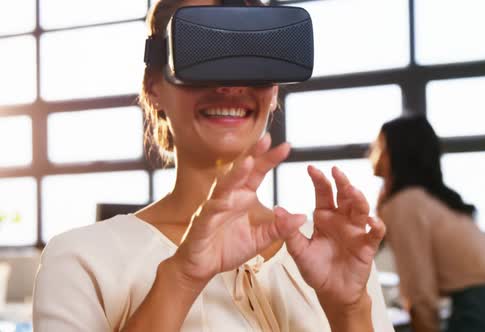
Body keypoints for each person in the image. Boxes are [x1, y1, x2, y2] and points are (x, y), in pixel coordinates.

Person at [32, 0, 393, 331]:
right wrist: (182, 275)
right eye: (202, 51)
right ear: (153, 85)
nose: (229, 85)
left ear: (274, 91)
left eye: (250, 59)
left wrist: (349, 309)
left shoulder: (334, 250)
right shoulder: (81, 260)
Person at [370, 115, 485, 332]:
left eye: (380, 145)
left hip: (484, 310)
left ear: (397, 152)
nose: (373, 153)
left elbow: (419, 292)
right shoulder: (431, 198)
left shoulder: (405, 203)